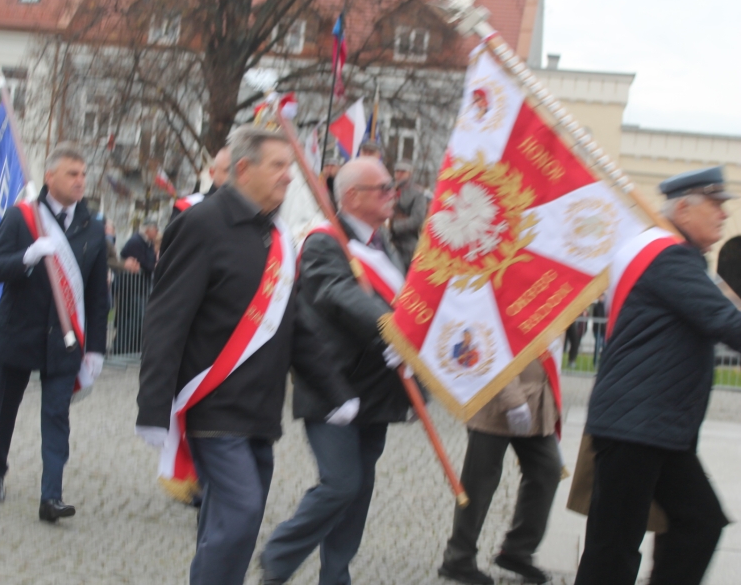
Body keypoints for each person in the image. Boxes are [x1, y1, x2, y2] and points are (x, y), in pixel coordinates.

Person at [135, 126, 358, 585]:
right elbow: (166, 319)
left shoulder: (276, 236)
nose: (289, 176)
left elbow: (295, 326)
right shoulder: (201, 224)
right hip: (213, 406)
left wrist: (335, 392)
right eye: (278, 166)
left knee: (233, 523)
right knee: (240, 514)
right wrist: (153, 408)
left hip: (260, 411)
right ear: (243, 169)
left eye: (289, 167)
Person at [574, 166, 741, 585]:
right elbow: (726, 322)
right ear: (683, 209)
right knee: (612, 552)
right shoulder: (670, 258)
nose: (724, 214)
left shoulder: (672, 256)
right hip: (636, 427)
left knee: (698, 523)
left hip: (655, 428)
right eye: (715, 204)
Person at [259, 157, 410, 585]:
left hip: (377, 386)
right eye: (383, 188)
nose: (392, 194)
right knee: (341, 483)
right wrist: (390, 329)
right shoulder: (324, 242)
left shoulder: (383, 243)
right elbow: (337, 292)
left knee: (359, 489)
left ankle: (336, 575)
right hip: (333, 384)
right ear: (352, 197)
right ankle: (278, 557)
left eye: (391, 186)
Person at [0, 143, 108, 523]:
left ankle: (51, 495)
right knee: (5, 407)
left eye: (83, 174)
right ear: (49, 177)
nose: (80, 181)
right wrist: (28, 256)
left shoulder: (93, 227)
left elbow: (97, 296)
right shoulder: (22, 217)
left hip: (65, 339)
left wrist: (96, 349)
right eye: (72, 174)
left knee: (56, 415)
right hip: (20, 329)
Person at [438, 359, 560, 584]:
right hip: (493, 398)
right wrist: (512, 399)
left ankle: (518, 551)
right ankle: (458, 557)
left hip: (536, 399)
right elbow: (492, 350)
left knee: (547, 470)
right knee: (479, 481)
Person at [113, 220, 157, 354]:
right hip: (131, 288)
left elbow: (151, 261)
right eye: (155, 229)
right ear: (148, 230)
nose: (157, 233)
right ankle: (121, 348)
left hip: (140, 288)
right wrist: (153, 266)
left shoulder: (148, 243)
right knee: (133, 318)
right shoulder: (136, 242)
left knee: (140, 318)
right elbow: (145, 263)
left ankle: (133, 348)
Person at [170, 146, 231, 221]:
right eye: (228, 170)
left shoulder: (243, 208)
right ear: (212, 173)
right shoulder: (189, 206)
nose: (234, 176)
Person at [389, 160, 426, 268]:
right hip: (386, 239)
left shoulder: (417, 193)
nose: (399, 174)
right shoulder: (388, 189)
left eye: (403, 172)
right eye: (397, 171)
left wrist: (394, 227)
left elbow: (417, 219)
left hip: (406, 241)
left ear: (410, 173)